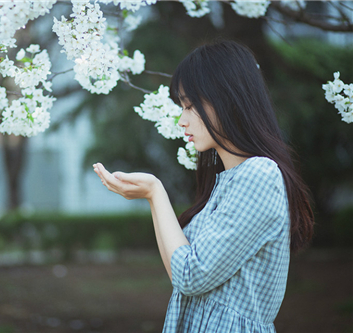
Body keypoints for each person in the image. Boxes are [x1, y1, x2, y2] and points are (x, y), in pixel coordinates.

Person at [93, 40, 314, 333]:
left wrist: (155, 193)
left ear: (226, 98)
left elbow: (189, 276)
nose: (181, 120)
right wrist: (151, 197)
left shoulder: (260, 174)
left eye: (189, 105)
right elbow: (180, 271)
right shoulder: (227, 182)